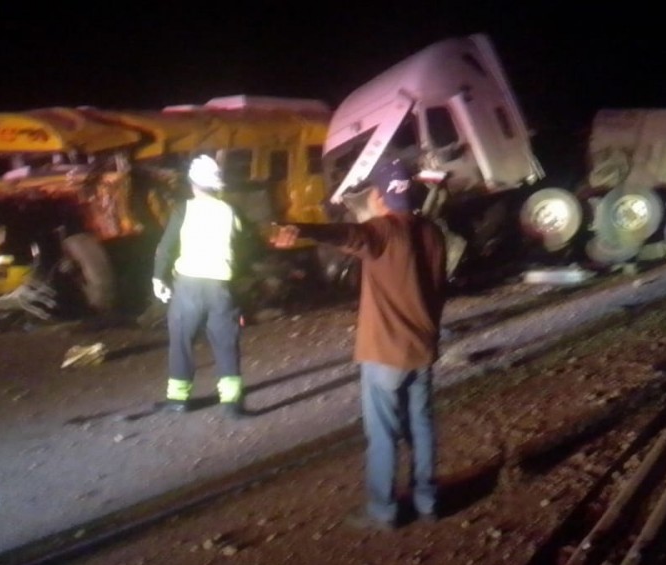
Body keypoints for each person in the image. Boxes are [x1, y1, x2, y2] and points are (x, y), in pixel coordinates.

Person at [270, 157, 448, 530]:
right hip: (422, 350)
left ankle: (383, 510)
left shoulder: (381, 232)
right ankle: (427, 502)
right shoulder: (432, 232)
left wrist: (299, 228)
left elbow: (346, 235)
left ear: (381, 197)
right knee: (421, 427)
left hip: (384, 354)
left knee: (383, 434)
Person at [152, 154, 246, 418]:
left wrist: (158, 278)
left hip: (188, 288)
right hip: (221, 288)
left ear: (193, 183)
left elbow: (166, 247)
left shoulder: (184, 210)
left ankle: (178, 400)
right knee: (226, 343)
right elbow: (247, 248)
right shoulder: (231, 211)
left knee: (181, 342)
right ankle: (232, 404)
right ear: (218, 184)